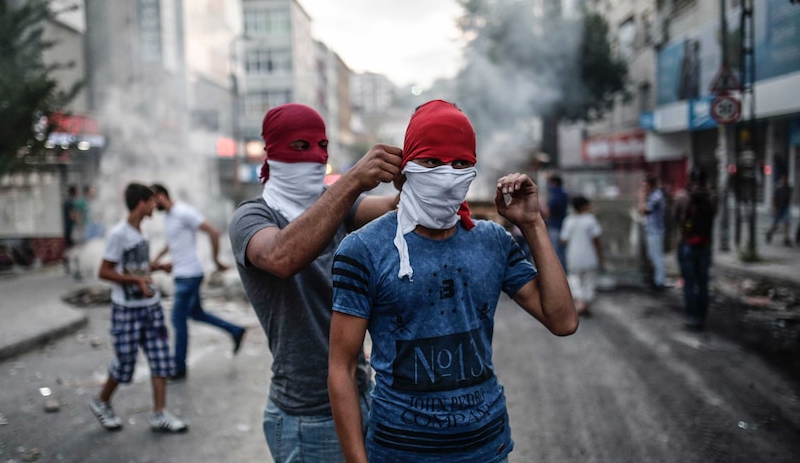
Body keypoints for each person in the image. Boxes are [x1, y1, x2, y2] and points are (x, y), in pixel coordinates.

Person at [328, 100, 577, 463]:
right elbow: (342, 367)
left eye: (460, 164)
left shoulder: (492, 241)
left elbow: (563, 320)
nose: (446, 174)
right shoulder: (364, 249)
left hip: (486, 449)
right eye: (431, 162)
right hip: (400, 453)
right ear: (407, 166)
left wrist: (533, 225)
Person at [228, 103, 402, 462]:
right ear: (272, 152)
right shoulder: (252, 216)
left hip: (358, 394)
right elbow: (282, 257)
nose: (315, 157)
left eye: (323, 146)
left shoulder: (333, 205)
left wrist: (421, 173)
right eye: (300, 146)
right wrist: (352, 180)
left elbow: (393, 209)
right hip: (307, 416)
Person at [89, 183, 187, 433]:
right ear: (142, 203)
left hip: (150, 307)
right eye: (152, 202)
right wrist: (137, 281)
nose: (155, 206)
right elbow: (105, 271)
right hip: (127, 310)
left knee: (161, 360)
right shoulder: (118, 234)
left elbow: (136, 267)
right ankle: (101, 402)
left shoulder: (141, 232)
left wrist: (157, 268)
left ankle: (159, 414)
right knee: (125, 365)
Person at [151, 183, 246, 381]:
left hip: (189, 275)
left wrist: (216, 260)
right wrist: (159, 257)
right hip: (183, 275)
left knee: (178, 319)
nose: (152, 204)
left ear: (161, 195)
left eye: (153, 199)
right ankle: (235, 330)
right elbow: (173, 241)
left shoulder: (183, 212)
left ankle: (179, 368)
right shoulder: (169, 217)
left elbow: (212, 230)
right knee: (197, 314)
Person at [673, 168, 717, 331]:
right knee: (703, 282)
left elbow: (676, 216)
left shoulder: (683, 197)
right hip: (705, 245)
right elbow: (714, 214)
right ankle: (702, 316)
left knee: (689, 283)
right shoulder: (711, 197)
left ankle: (692, 317)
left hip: (687, 245)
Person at [560, 195, 603, 316]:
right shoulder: (590, 219)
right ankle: (585, 304)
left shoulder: (569, 220)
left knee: (574, 279)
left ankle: (580, 302)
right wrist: (600, 254)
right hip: (589, 255)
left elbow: (563, 240)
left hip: (573, 255)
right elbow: (596, 239)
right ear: (584, 206)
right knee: (589, 280)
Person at [639, 176, 666, 290]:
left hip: (656, 231)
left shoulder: (656, 196)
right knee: (652, 256)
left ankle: (659, 281)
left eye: (645, 186)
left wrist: (642, 197)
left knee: (656, 257)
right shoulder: (652, 195)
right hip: (651, 230)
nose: (643, 188)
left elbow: (644, 209)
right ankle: (656, 279)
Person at [545, 174, 569, 270]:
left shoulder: (555, 195)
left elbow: (549, 211)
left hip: (555, 225)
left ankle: (558, 272)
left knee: (555, 252)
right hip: (563, 223)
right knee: (562, 251)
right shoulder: (564, 193)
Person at [765, 174, 793, 246]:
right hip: (778, 208)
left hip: (785, 208)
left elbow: (789, 198)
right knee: (775, 224)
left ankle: (786, 239)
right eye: (783, 179)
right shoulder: (778, 188)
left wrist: (789, 207)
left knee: (787, 222)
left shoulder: (789, 189)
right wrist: (774, 207)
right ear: (781, 180)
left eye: (785, 179)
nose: (784, 181)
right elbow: (773, 198)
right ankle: (769, 233)